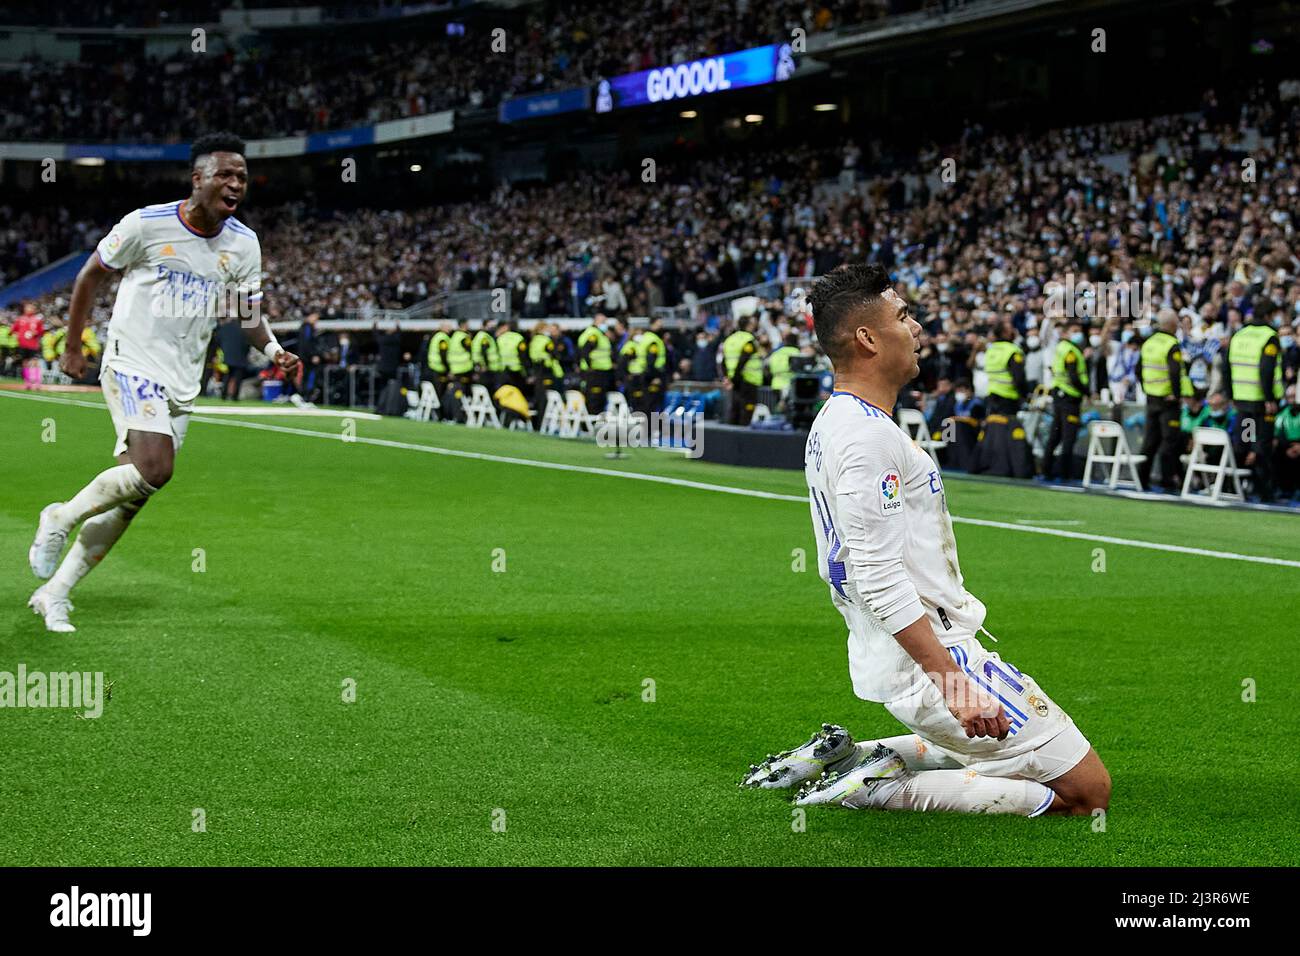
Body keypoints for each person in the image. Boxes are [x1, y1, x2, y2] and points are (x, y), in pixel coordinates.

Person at [742, 263, 1110, 818]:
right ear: (867, 338)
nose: (917, 329)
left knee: (986, 751)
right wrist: (955, 683)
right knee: (1087, 793)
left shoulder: (838, 419)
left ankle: (854, 754)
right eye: (903, 316)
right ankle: (878, 789)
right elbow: (878, 574)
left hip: (890, 650)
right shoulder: (866, 438)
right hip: (932, 655)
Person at [27, 132, 300, 633]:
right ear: (197, 180)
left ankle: (55, 593)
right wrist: (72, 344)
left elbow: (243, 310)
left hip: (182, 380)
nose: (236, 183)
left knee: (135, 494)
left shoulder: (243, 243)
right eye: (225, 173)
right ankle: (59, 519)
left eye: (241, 176)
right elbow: (90, 275)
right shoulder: (146, 224)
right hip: (132, 361)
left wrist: (274, 350)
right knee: (156, 467)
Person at [1227, 310, 1283, 502]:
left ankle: (1240, 486)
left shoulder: (1239, 335)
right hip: (1261, 404)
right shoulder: (1269, 336)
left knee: (1244, 442)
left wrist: (1231, 394)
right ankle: (1264, 491)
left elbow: (1227, 366)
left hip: (1243, 402)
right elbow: (1267, 369)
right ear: (1269, 315)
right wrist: (1269, 398)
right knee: (1262, 445)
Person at [1137, 310, 1191, 492]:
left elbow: (1138, 369)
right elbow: (1175, 372)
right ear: (1171, 325)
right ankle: (1167, 480)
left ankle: (1141, 478)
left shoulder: (1149, 343)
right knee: (1169, 441)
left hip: (1151, 397)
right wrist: (1176, 394)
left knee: (1150, 441)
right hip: (1167, 400)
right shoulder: (1171, 344)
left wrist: (1146, 388)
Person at [1041, 320, 1088, 481]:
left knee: (1056, 434)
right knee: (1068, 437)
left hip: (1059, 394)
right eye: (1075, 330)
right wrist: (1087, 392)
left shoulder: (1060, 348)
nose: (1078, 334)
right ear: (1066, 332)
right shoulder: (1070, 350)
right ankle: (1064, 473)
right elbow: (1074, 376)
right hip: (1070, 397)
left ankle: (1046, 470)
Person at [722, 316, 762, 425]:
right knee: (747, 410)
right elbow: (743, 360)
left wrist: (727, 378)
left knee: (735, 409)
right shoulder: (749, 340)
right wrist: (735, 378)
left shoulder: (729, 339)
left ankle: (731, 436)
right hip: (748, 380)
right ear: (749, 325)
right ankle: (743, 438)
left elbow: (723, 361)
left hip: (734, 382)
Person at [576, 315, 614, 415]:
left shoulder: (594, 333)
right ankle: (594, 423)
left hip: (597, 371)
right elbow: (585, 350)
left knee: (595, 398)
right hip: (595, 372)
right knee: (595, 399)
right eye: (603, 322)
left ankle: (592, 422)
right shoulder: (594, 334)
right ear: (597, 321)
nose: (605, 324)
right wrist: (590, 366)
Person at [1273, 385, 1300, 500]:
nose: (1292, 399)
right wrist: (1287, 447)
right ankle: (1282, 488)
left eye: (1295, 396)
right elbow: (1277, 434)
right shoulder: (1282, 413)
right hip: (1287, 446)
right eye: (1289, 397)